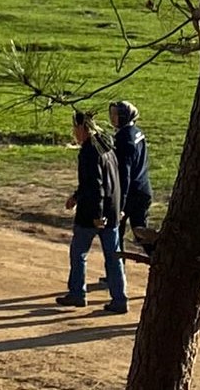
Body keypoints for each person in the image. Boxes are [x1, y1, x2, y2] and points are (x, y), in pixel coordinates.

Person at [57, 110, 128, 315]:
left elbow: (95, 186)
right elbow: (109, 181)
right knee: (113, 256)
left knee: (78, 252)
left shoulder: (89, 151)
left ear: (81, 128)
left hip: (92, 214)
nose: (74, 133)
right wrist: (76, 196)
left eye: (74, 129)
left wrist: (97, 215)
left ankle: (77, 293)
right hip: (112, 211)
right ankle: (120, 298)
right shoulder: (106, 146)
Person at [110, 100, 153, 255]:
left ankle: (116, 275)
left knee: (117, 232)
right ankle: (159, 259)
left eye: (116, 115)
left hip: (131, 193)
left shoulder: (124, 138)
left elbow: (124, 174)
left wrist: (121, 203)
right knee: (140, 231)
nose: (112, 118)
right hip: (143, 188)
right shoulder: (137, 132)